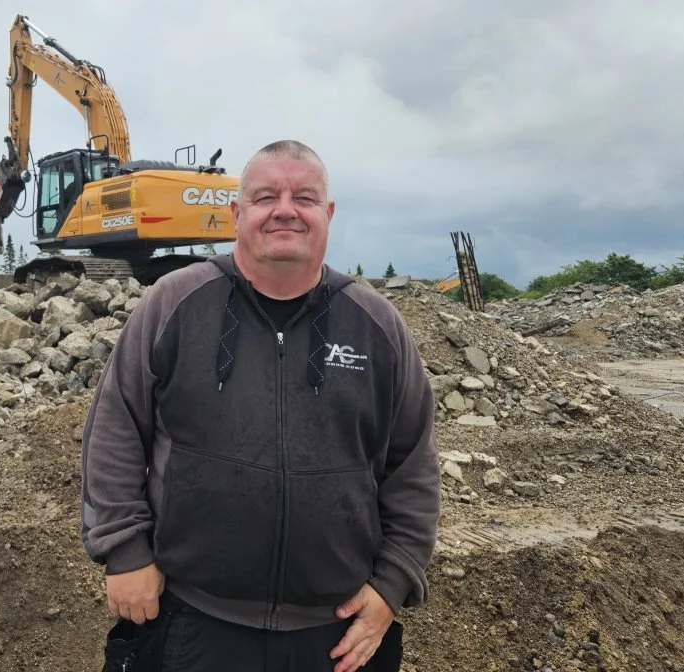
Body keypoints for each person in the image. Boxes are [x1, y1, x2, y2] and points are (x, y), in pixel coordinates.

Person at [80, 139, 440, 671]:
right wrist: (125, 549)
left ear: (328, 214)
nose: (285, 210)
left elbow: (413, 464)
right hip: (192, 623)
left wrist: (392, 584)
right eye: (266, 195)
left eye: (305, 197)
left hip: (335, 637)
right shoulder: (174, 304)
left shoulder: (376, 325)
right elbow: (115, 428)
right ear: (236, 212)